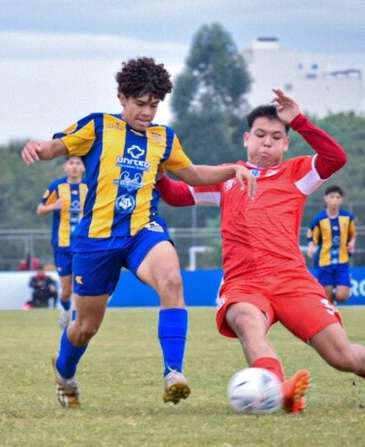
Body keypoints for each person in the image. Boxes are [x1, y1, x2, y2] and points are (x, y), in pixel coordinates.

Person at [21, 56, 256, 409]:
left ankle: (173, 373)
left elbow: (190, 174)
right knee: (85, 326)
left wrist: (231, 169)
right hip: (97, 239)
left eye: (154, 104)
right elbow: (56, 147)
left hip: (142, 230)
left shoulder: (164, 138)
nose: (147, 112)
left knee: (172, 282)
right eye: (140, 104)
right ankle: (64, 372)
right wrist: (38, 149)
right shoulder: (98, 127)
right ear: (122, 98)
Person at [156, 88, 365, 413]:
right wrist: (156, 169)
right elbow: (174, 194)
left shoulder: (297, 174)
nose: (266, 142)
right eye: (259, 135)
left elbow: (336, 158)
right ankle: (279, 389)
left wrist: (299, 119)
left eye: (275, 136)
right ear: (246, 138)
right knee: (244, 320)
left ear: (286, 143)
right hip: (245, 284)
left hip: (292, 280)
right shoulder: (226, 177)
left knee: (342, 357)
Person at [37, 156, 87, 329]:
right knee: (66, 289)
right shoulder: (56, 187)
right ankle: (65, 311)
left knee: (79, 285)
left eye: (78, 163)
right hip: (62, 244)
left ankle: (76, 321)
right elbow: (40, 209)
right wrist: (53, 206)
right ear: (65, 167)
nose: (74, 166)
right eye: (71, 163)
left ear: (83, 167)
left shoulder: (89, 187)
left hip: (83, 244)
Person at [306, 185, 356, 304]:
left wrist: (352, 243)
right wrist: (311, 247)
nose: (335, 200)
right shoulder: (319, 219)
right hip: (324, 262)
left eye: (338, 197)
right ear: (325, 198)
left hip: (342, 261)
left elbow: (353, 234)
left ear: (341, 200)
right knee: (326, 298)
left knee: (343, 296)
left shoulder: (347, 217)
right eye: (332, 197)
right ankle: (331, 303)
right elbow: (312, 236)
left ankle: (335, 296)